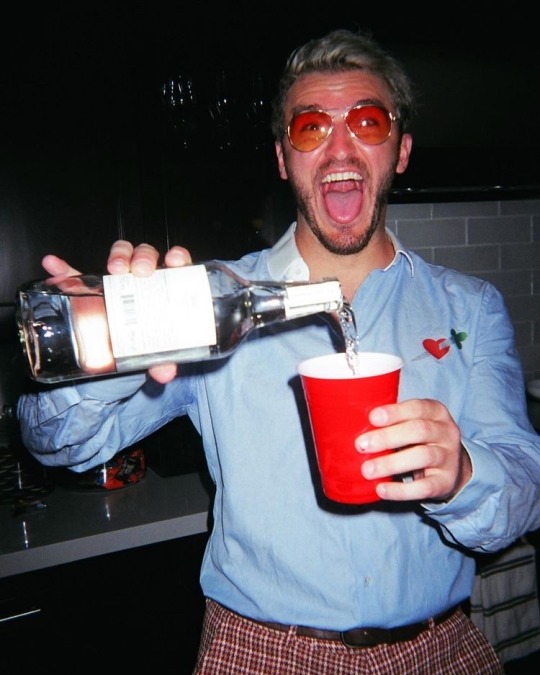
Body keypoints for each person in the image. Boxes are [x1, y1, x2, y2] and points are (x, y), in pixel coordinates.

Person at [17, 28, 540, 674]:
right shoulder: (207, 303)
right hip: (263, 652)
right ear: (283, 158)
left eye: (368, 122)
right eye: (311, 127)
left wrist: (460, 473)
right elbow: (54, 443)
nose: (340, 147)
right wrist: (107, 341)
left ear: (401, 150)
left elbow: (525, 489)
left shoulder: (471, 308)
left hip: (441, 649)